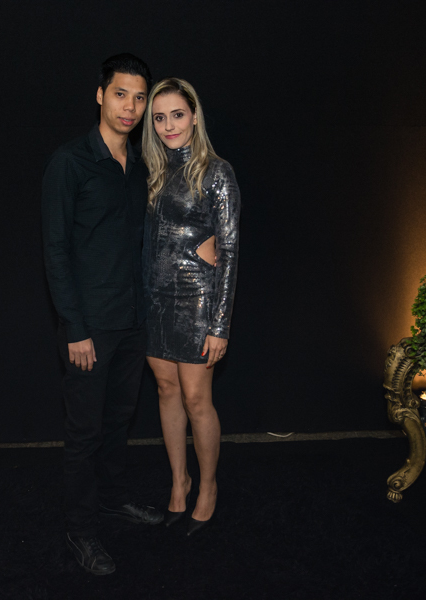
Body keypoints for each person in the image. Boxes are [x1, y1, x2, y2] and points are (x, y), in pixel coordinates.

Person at [41, 53, 163, 576]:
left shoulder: (140, 166)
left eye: (139, 98)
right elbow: (55, 251)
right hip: (88, 329)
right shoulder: (69, 162)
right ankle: (81, 530)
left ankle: (113, 501)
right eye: (120, 94)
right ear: (99, 95)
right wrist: (75, 328)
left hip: (133, 323)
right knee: (84, 435)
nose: (129, 107)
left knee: (118, 424)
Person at [141, 77, 240, 536]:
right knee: (166, 390)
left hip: (197, 299)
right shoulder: (152, 171)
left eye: (177, 115)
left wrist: (220, 324)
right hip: (154, 298)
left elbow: (230, 251)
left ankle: (208, 487)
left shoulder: (217, 172)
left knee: (197, 398)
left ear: (195, 116)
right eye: (159, 118)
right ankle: (178, 482)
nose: (169, 126)